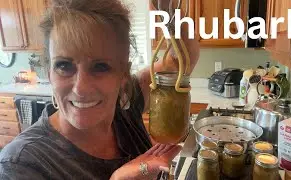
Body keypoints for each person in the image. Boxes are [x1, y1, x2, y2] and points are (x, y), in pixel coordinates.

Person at [0, 0, 199, 179]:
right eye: (64, 65)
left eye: (100, 66)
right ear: (49, 72)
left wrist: (170, 12)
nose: (81, 89)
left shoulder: (124, 104)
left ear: (123, 75)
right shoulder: (20, 165)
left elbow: (180, 60)